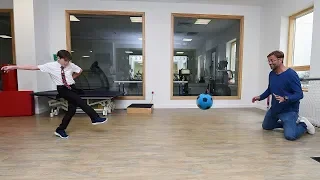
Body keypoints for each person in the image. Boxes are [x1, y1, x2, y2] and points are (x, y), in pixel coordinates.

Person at [1, 50, 107, 139]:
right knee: (80, 101)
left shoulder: (71, 65)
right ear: (59, 58)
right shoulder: (50, 66)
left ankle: (60, 130)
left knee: (72, 110)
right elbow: (33, 67)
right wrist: (13, 67)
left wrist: (72, 78)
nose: (66, 63)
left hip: (72, 87)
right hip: (63, 89)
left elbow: (79, 70)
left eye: (68, 61)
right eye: (64, 60)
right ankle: (95, 117)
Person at [252, 50, 315, 141]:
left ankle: (303, 124)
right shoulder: (272, 74)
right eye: (269, 61)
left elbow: (299, 94)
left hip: (289, 111)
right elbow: (270, 89)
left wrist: (286, 98)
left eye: (272, 60)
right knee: (266, 126)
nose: (270, 63)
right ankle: (289, 125)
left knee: (290, 136)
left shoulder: (291, 75)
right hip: (275, 108)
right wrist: (260, 97)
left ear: (280, 60)